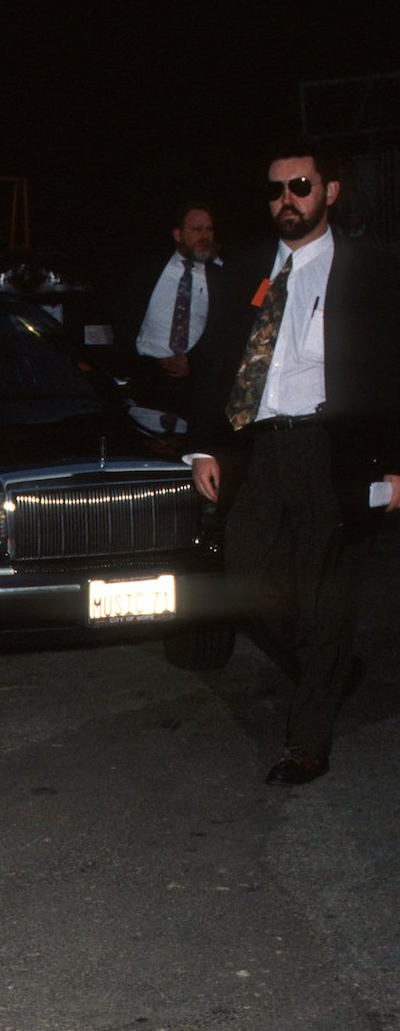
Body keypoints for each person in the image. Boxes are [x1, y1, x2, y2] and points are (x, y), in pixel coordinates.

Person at [187, 142, 400, 786]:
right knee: (245, 573)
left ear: (330, 193)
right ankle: (326, 667)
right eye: (277, 188)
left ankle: (307, 742)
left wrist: (395, 464)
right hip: (260, 449)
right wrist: (203, 446)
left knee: (328, 595)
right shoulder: (243, 271)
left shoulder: (372, 270)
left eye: (300, 186)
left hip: (334, 451)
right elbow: (212, 362)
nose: (287, 199)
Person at [131, 202, 223, 429]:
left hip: (193, 381)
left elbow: (225, 331)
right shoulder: (149, 269)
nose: (204, 236)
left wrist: (195, 362)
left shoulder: (221, 277)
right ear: (178, 234)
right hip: (147, 378)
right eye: (197, 229)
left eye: (209, 230)